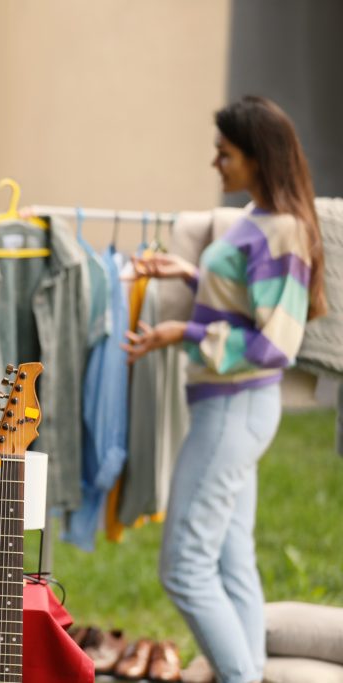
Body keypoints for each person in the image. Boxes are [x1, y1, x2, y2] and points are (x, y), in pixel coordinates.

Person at [122, 95, 326, 683]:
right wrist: (192, 274)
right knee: (232, 560)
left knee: (183, 566)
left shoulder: (283, 230)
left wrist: (178, 331)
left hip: (234, 411)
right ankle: (249, 669)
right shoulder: (258, 219)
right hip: (225, 409)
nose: (216, 163)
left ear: (259, 157)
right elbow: (246, 300)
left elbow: (274, 343)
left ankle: (239, 677)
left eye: (225, 152)